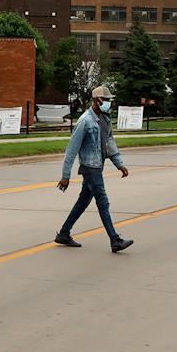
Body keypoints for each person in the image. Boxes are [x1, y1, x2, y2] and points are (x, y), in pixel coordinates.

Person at [55, 84, 134, 253]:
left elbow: (110, 144)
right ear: (97, 101)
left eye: (109, 100)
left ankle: (63, 233)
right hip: (90, 168)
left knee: (83, 201)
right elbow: (71, 149)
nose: (109, 103)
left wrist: (120, 164)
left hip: (98, 166)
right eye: (106, 100)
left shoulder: (105, 120)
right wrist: (65, 175)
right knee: (102, 201)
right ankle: (115, 240)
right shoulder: (85, 121)